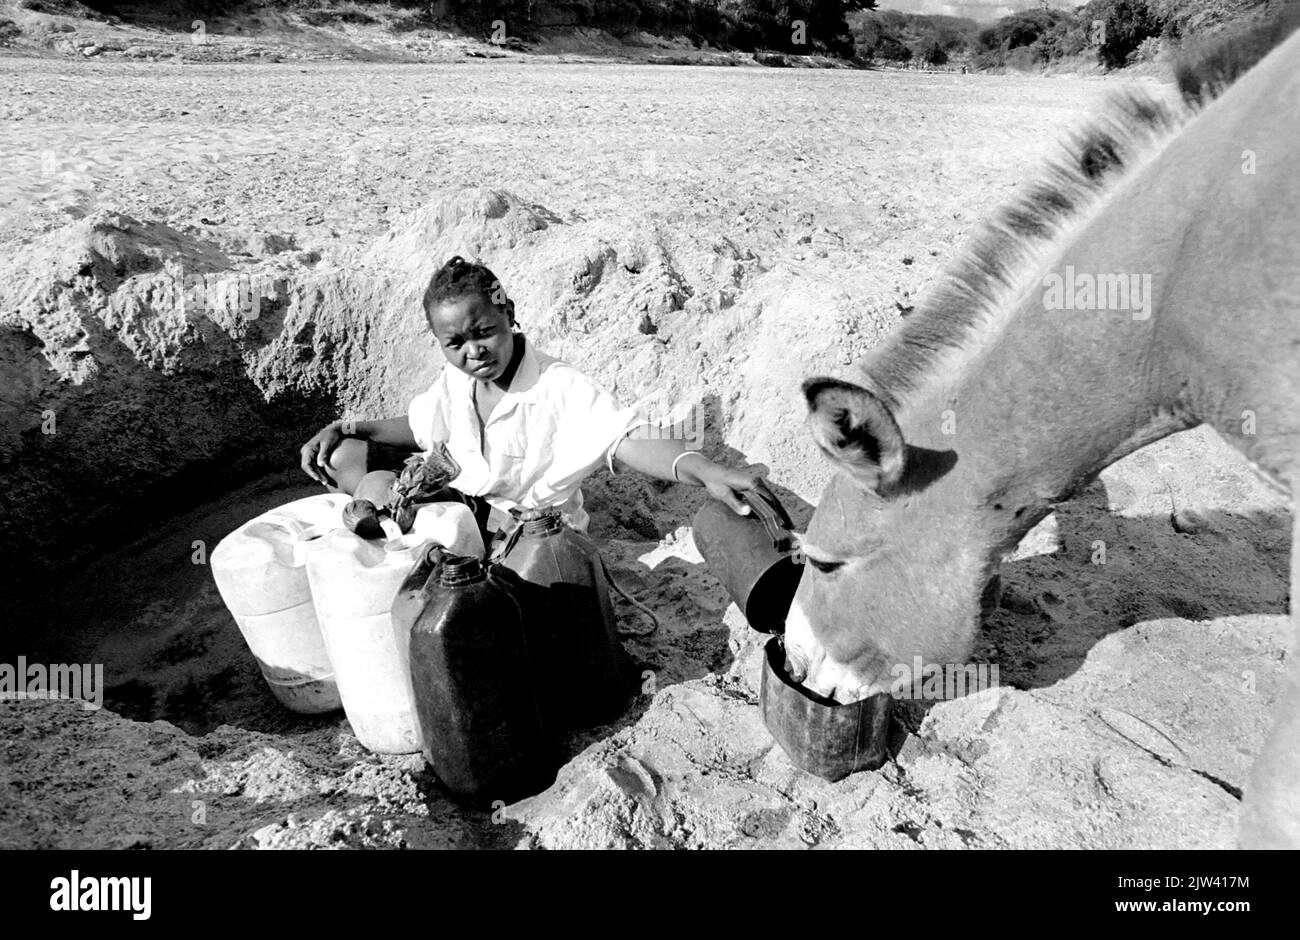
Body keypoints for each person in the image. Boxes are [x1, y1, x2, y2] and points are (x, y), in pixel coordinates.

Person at [299, 255, 767, 550]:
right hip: (464, 503)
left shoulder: (556, 385)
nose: (474, 351)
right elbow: (422, 425)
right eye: (455, 342)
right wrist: (350, 427)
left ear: (509, 314)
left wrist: (704, 469)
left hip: (526, 531)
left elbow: (626, 436)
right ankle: (386, 544)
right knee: (355, 463)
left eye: (484, 332)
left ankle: (403, 550)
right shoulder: (454, 380)